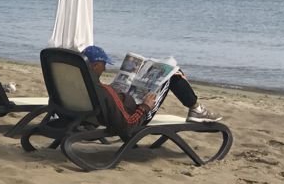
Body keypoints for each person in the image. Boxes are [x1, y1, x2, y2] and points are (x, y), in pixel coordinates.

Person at [82, 45, 222, 133]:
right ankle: (196, 109)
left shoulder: (82, 86)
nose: (105, 68)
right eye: (104, 64)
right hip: (138, 116)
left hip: (99, 116)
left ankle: (196, 108)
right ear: (95, 66)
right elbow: (128, 124)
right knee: (173, 75)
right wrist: (145, 107)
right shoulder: (104, 91)